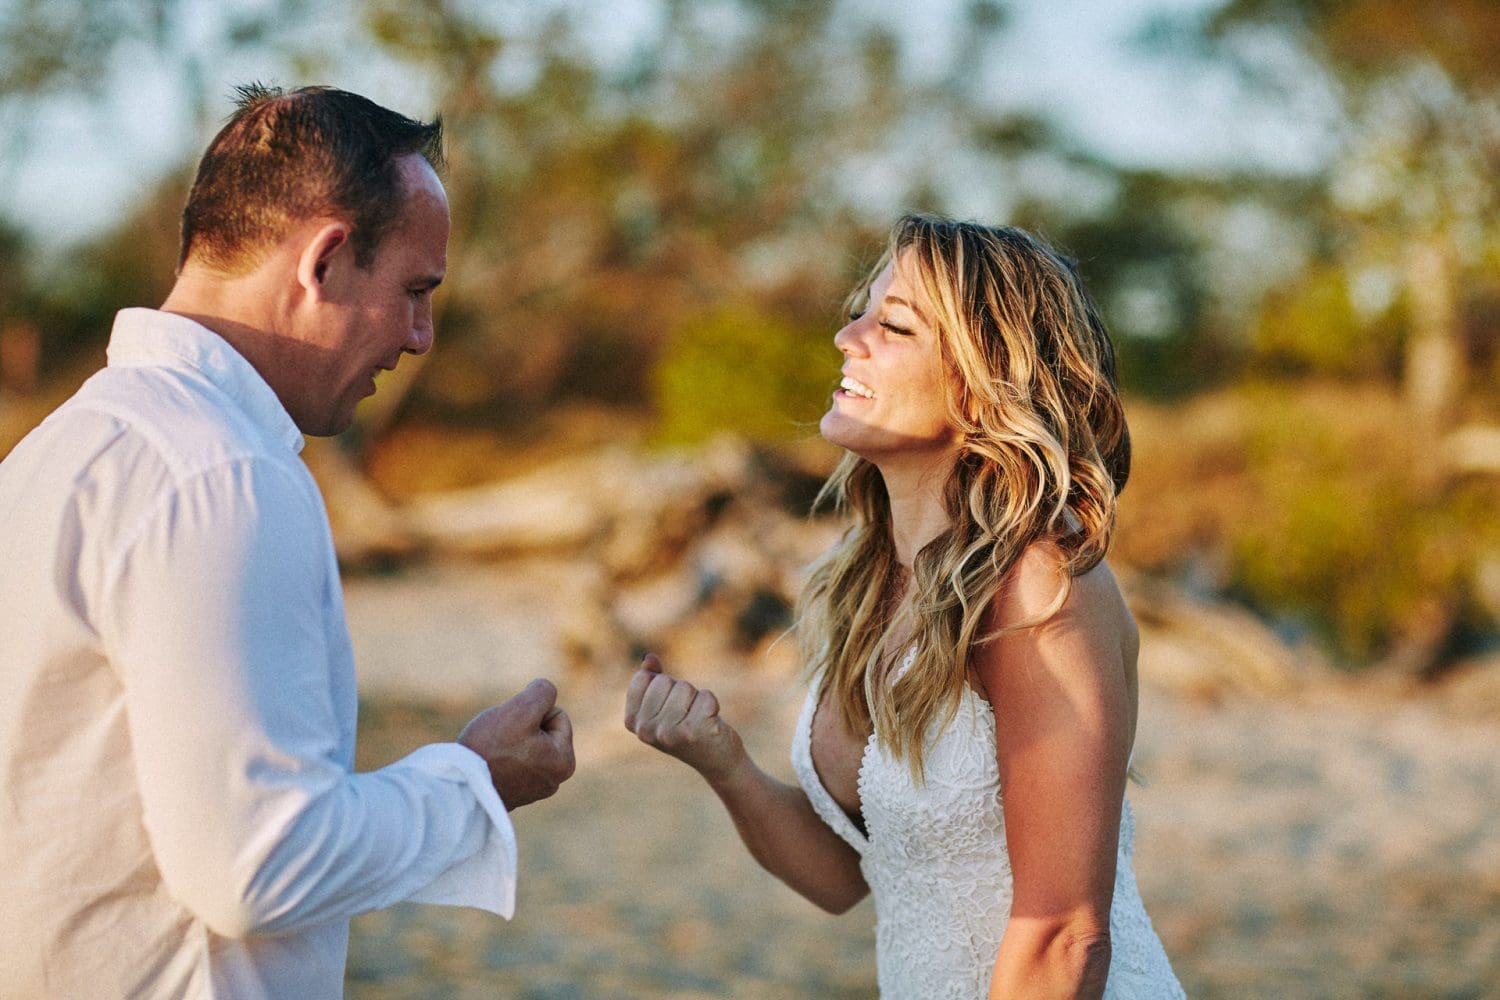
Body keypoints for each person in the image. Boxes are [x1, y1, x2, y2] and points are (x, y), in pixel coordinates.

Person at [0, 85, 575, 999]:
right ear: (326, 260)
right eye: (415, 292)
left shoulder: (50, 454)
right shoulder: (224, 474)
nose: (422, 338)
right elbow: (258, 865)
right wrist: (473, 783)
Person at [625, 215, 1185, 998]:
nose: (846, 337)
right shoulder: (860, 580)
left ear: (984, 382)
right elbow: (848, 877)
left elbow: (1064, 935)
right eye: (861, 312)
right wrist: (721, 761)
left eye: (892, 325)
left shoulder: (1039, 585)